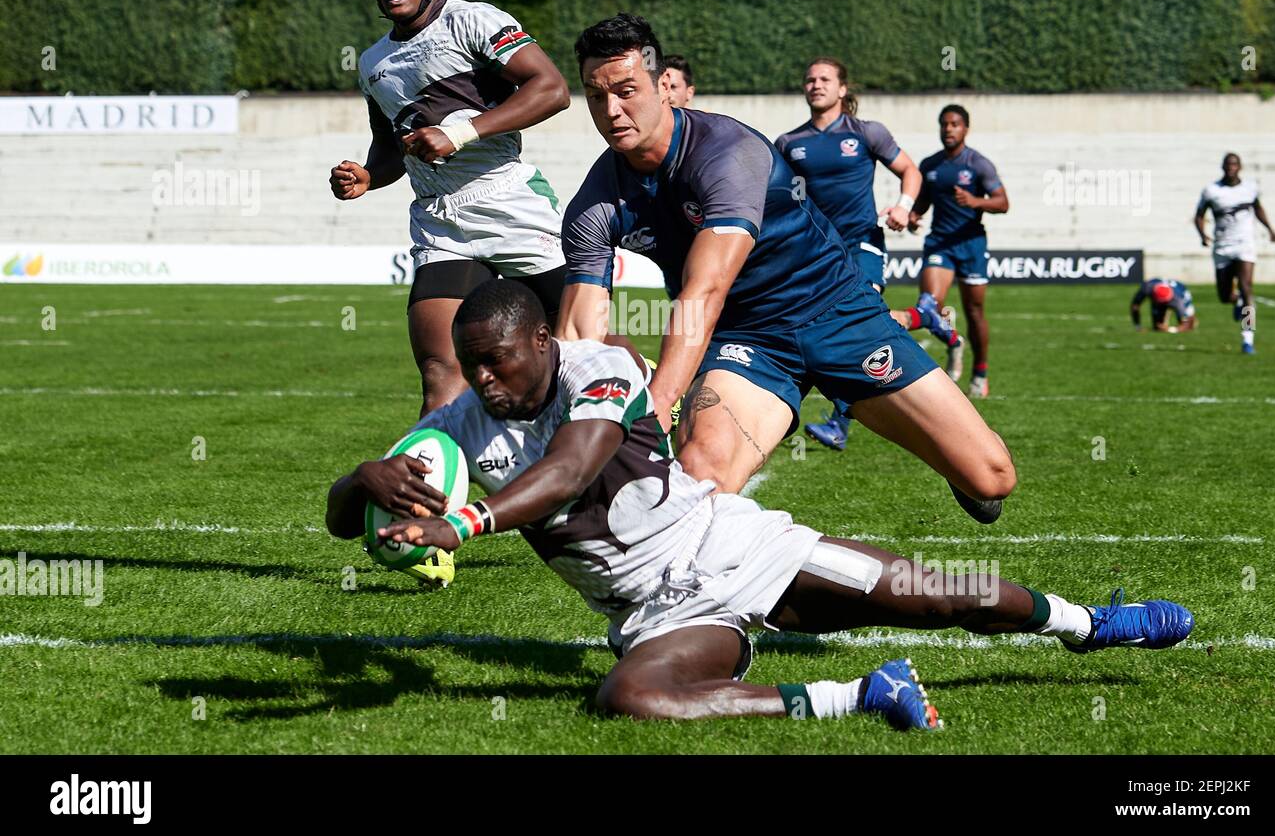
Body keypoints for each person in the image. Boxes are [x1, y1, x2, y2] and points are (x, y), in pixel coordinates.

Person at [325, 280, 1195, 725]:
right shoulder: (467, 418)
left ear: (543, 343)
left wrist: (462, 520)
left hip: (725, 546)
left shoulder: (601, 368)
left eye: (499, 362)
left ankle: (1087, 622)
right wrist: (363, 480)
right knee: (627, 699)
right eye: (472, 364)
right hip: (652, 613)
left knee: (936, 590)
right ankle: (863, 695)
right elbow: (351, 513)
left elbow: (570, 466)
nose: (485, 380)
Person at [556, 14, 1015, 524]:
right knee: (701, 475)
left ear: (665, 86)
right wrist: (566, 424)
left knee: (993, 477)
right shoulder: (595, 202)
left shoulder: (726, 154)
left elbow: (703, 293)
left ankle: (959, 460)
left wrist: (660, 405)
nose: (612, 111)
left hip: (838, 313)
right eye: (596, 97)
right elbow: (578, 330)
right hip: (748, 340)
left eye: (626, 90)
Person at [328, 0, 571, 420]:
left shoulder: (475, 21)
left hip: (510, 202)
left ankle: (651, 407)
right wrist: (370, 175)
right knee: (443, 371)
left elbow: (551, 89)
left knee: (580, 347)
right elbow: (391, 146)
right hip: (441, 225)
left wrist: (460, 133)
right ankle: (431, 498)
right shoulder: (374, 62)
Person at [774, 57, 943, 451]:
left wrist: (903, 206)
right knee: (807, 327)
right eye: (810, 79)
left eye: (825, 79)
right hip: (815, 253)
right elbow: (781, 197)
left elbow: (911, 172)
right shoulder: (789, 143)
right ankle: (923, 314)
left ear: (842, 89)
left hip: (862, 240)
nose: (816, 85)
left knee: (855, 327)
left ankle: (838, 424)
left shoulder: (867, 133)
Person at [908, 105, 1009, 398]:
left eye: (954, 124)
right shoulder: (931, 165)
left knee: (975, 311)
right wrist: (914, 215)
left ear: (966, 128)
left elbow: (1002, 203)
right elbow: (923, 201)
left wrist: (975, 202)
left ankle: (980, 370)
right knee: (929, 303)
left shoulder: (979, 164)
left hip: (971, 244)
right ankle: (953, 340)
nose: (949, 129)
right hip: (940, 243)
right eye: (944, 124)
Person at [1194, 153, 1275, 354]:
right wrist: (1203, 235)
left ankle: (1247, 339)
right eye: (1228, 164)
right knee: (1224, 296)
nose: (1231, 167)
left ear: (1240, 167)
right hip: (1222, 246)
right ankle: (1237, 301)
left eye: (1234, 164)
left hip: (1245, 244)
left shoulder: (1249, 188)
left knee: (1247, 287)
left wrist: (1270, 229)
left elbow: (1258, 209)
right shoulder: (1212, 190)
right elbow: (1199, 215)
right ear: (1223, 167)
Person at [1130, 278, 1197, 333]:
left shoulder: (1179, 301)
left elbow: (1186, 324)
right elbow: (1135, 305)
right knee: (1158, 327)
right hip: (1162, 296)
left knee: (1190, 325)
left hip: (1181, 293)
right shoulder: (1147, 287)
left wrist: (1170, 329)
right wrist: (1138, 326)